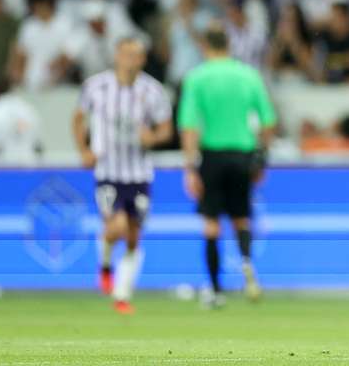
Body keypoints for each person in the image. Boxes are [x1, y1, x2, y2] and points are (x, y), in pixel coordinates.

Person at [177, 25, 277, 307]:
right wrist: (261, 155)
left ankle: (215, 289)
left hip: (212, 155)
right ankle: (246, 263)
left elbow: (189, 126)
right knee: (241, 218)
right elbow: (268, 121)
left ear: (205, 47)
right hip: (242, 154)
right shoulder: (248, 75)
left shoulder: (197, 78)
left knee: (211, 224)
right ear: (229, 46)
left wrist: (190, 167)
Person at [72, 37, 172, 315]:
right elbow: (78, 118)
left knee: (133, 236)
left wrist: (151, 137)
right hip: (108, 170)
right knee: (115, 226)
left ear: (142, 59)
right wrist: (84, 150)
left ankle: (122, 294)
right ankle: (105, 265)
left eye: (136, 55)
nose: (131, 60)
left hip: (139, 173)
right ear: (117, 55)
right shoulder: (96, 86)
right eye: (126, 54)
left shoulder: (152, 90)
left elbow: (166, 128)